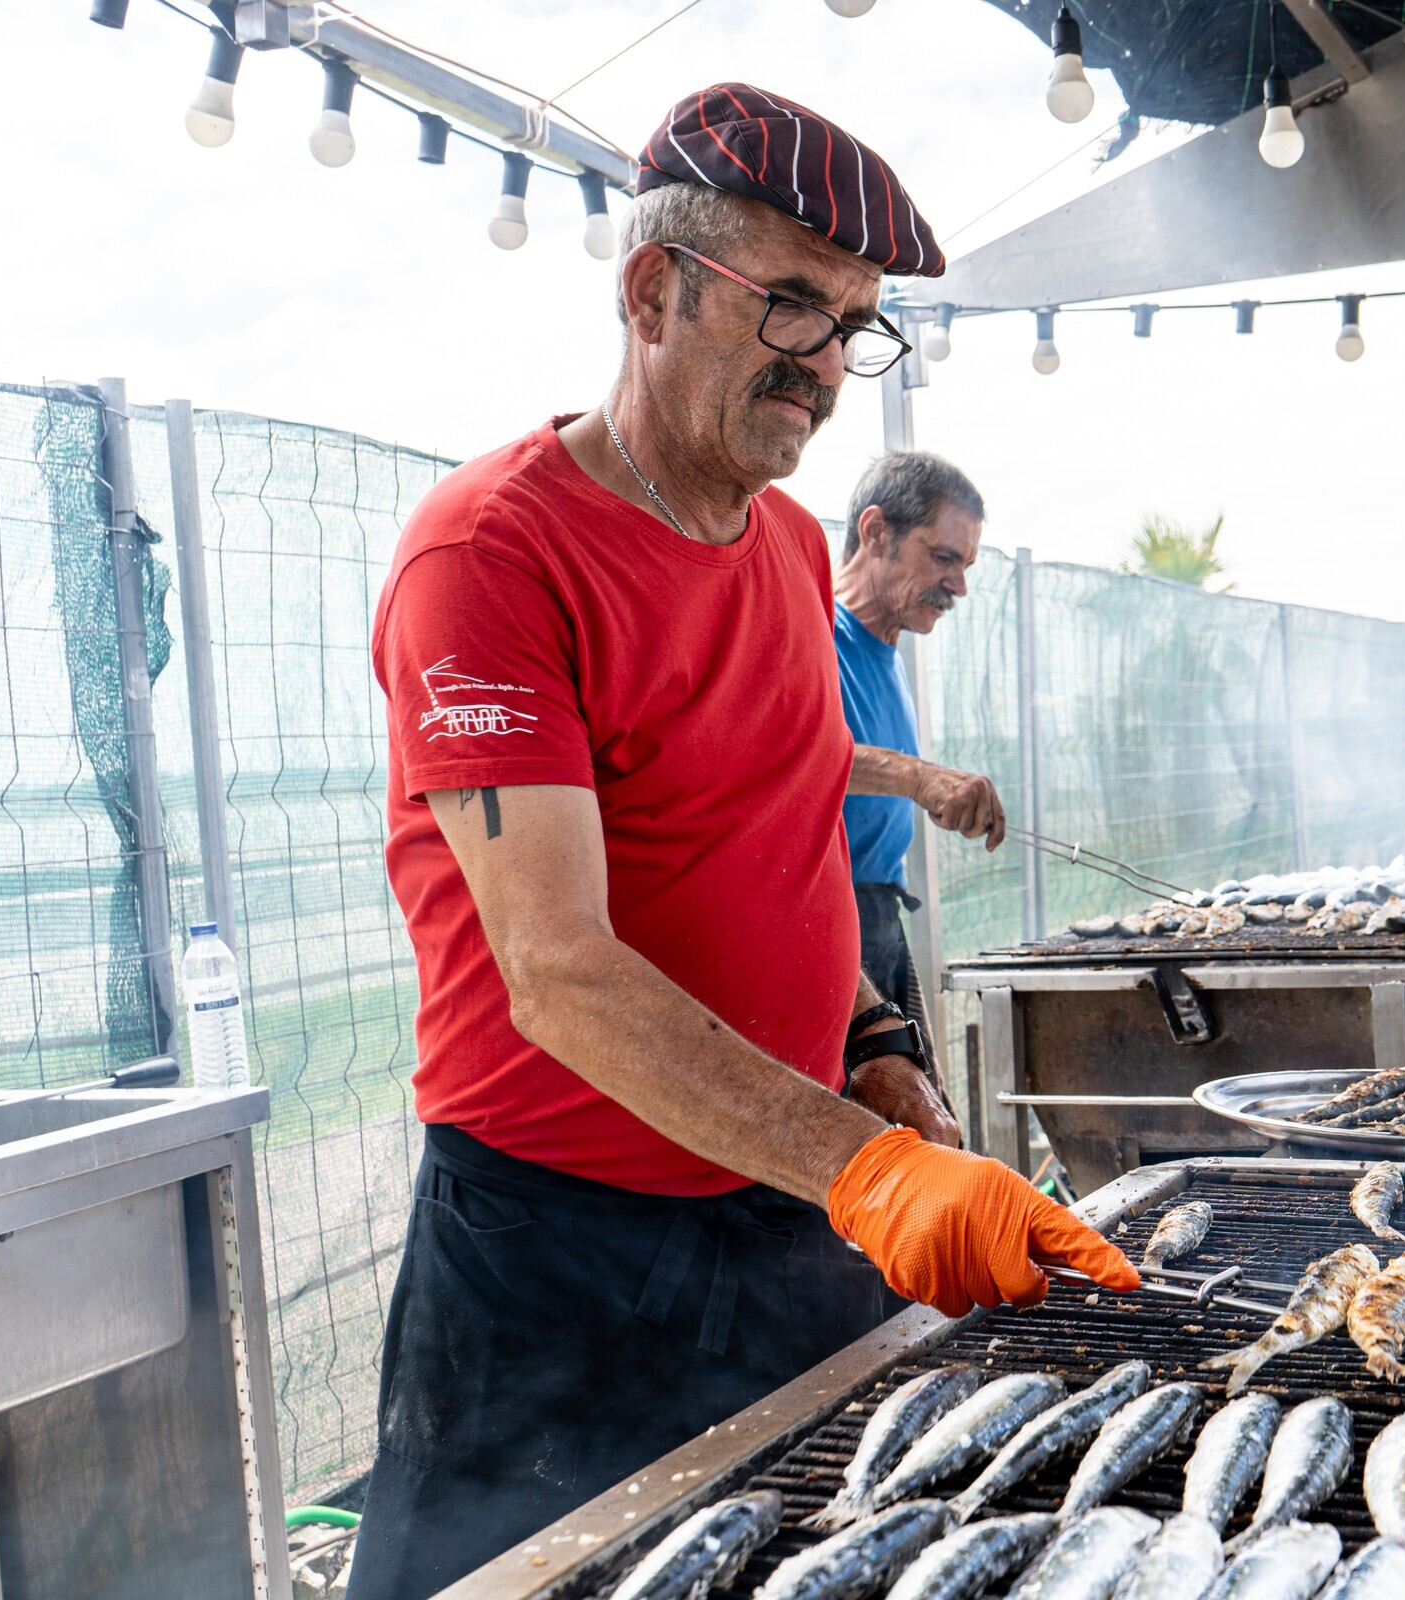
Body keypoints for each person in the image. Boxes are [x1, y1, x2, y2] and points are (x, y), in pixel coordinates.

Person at [352, 85, 1134, 1600]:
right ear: (652, 291)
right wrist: (877, 1178)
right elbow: (559, 972)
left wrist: (880, 1043)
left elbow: (780, 850)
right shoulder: (489, 553)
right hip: (555, 1248)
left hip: (783, 1198)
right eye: (791, 307)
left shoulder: (785, 551)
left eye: (856, 324)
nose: (831, 366)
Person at [833, 450, 1006, 1033]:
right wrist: (922, 777)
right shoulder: (815, 631)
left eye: (966, 565)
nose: (958, 583)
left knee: (919, 1116)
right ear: (876, 532)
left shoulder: (888, 649)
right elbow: (798, 751)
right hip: (826, 921)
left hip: (878, 915)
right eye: (943, 558)